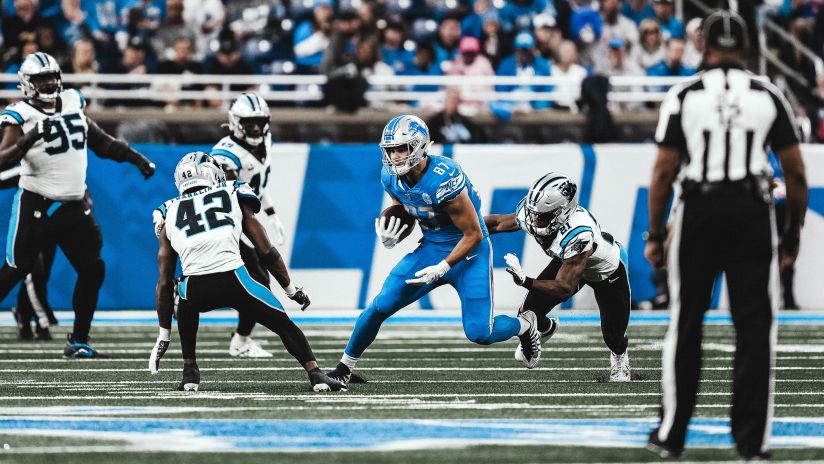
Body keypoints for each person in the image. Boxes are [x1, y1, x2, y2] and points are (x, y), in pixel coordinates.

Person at [645, 11, 808, 460]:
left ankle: (673, 432)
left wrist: (655, 233)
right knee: (755, 328)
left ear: (704, 45)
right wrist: (792, 232)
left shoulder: (685, 94)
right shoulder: (767, 93)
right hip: (752, 211)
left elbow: (662, 172)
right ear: (748, 46)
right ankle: (752, 442)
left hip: (700, 208)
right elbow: (794, 171)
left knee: (687, 321)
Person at [325, 115, 542, 385]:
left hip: (469, 253)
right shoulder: (390, 177)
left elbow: (473, 233)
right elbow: (406, 209)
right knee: (379, 306)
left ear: (420, 146)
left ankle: (525, 325)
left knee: (479, 332)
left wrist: (443, 267)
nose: (394, 156)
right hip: (431, 248)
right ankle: (344, 368)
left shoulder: (444, 176)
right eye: (390, 150)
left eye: (401, 148)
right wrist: (393, 233)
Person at [0, 52, 155, 357]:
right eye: (41, 79)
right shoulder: (19, 114)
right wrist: (31, 137)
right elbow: (3, 157)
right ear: (28, 84)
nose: (49, 84)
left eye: (52, 77)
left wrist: (136, 159)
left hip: (73, 206)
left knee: (93, 268)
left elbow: (101, 141)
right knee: (15, 270)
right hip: (37, 204)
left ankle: (78, 341)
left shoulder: (72, 101)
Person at [149, 152, 343, 393]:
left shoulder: (167, 211)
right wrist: (291, 290)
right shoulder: (233, 191)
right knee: (284, 325)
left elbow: (164, 281)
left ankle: (190, 372)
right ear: (213, 173)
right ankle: (315, 373)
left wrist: (163, 334)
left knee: (183, 291)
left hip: (195, 290)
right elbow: (266, 252)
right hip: (235, 281)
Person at [485, 172, 632, 382]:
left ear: (562, 213)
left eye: (542, 215)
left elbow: (564, 289)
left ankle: (619, 357)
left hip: (607, 272)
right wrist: (456, 230)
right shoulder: (534, 213)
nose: (534, 219)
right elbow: (496, 223)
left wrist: (525, 280)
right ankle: (546, 329)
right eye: (533, 212)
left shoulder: (578, 233)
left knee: (613, 335)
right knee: (528, 313)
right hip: (569, 260)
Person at [207, 92, 288, 358]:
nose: (256, 127)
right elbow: (235, 201)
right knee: (257, 280)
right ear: (235, 122)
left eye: (259, 121)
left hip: (241, 222)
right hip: (223, 224)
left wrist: (273, 214)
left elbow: (257, 186)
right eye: (249, 122)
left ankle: (240, 340)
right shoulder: (225, 155)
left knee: (249, 282)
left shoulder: (264, 142)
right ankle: (240, 341)